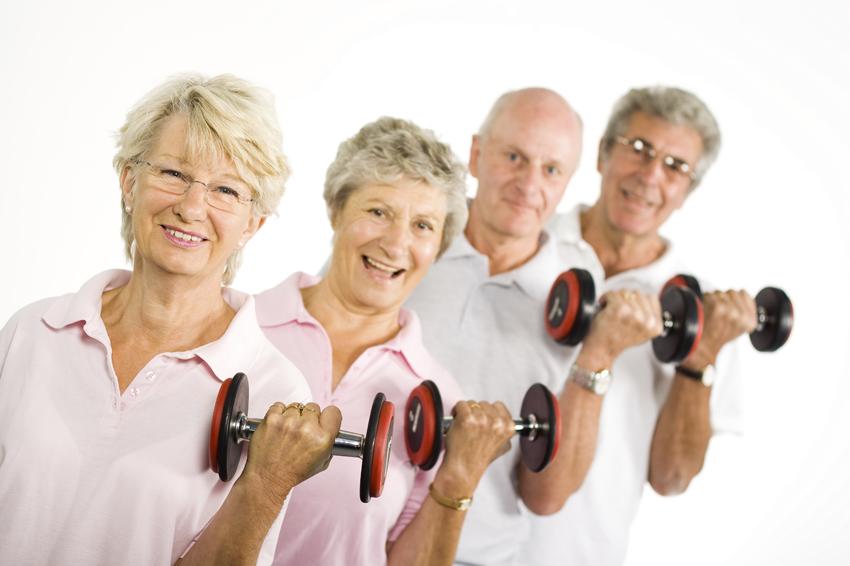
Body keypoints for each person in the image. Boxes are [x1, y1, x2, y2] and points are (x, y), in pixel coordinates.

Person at [0, 74, 340, 566]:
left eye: (226, 190)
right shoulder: (33, 331)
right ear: (129, 181)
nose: (191, 207)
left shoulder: (276, 389)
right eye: (174, 173)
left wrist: (267, 484)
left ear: (253, 223)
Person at [405, 87, 671, 566]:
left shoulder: (579, 301)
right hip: (351, 545)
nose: (529, 185)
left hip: (475, 557)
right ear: (476, 154)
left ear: (568, 182)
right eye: (514, 157)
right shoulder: (401, 243)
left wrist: (598, 355)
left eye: (551, 170)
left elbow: (547, 497)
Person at [254, 116, 516, 566]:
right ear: (336, 209)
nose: (396, 245)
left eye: (423, 226)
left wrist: (460, 475)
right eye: (378, 212)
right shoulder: (240, 326)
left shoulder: (436, 396)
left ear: (439, 246)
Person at [517, 86, 755, 565]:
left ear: (688, 192)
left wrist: (699, 358)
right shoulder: (522, 242)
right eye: (640, 149)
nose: (650, 176)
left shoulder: (702, 310)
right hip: (453, 539)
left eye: (675, 166)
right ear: (603, 154)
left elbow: (672, 478)